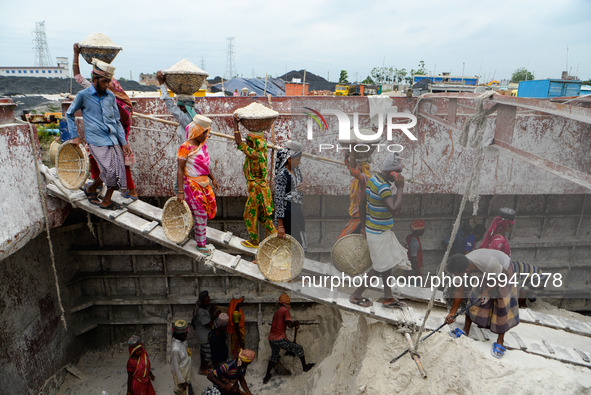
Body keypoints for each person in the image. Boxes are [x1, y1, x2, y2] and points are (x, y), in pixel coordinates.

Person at [72, 43, 138, 200]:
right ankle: (109, 186)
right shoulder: (110, 85)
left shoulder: (102, 89)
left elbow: (77, 77)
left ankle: (121, 188)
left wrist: (76, 54)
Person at [349, 152, 411, 308]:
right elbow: (395, 210)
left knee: (387, 264)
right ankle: (356, 295)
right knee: (379, 267)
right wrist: (400, 188)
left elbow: (362, 204)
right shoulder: (383, 186)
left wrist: (363, 226)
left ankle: (388, 297)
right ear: (392, 173)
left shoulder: (373, 180)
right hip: (378, 232)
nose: (400, 176)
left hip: (374, 229)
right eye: (399, 173)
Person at [445, 249, 520, 359]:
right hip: (483, 270)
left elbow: (503, 277)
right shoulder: (459, 267)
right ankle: (466, 330)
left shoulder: (490, 263)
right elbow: (459, 291)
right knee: (474, 297)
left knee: (501, 302)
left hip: (503, 270)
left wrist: (488, 290)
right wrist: (452, 313)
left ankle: (500, 341)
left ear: (466, 270)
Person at [177, 115, 218, 255]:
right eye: (204, 132)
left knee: (204, 211)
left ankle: (190, 235)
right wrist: (180, 191)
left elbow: (204, 166)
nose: (206, 135)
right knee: (200, 213)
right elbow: (180, 170)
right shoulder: (185, 148)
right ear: (197, 131)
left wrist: (212, 178)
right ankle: (201, 244)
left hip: (204, 184)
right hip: (191, 186)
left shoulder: (202, 145)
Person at [232, 116, 276, 248]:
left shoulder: (254, 154)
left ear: (253, 144)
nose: (246, 142)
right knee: (264, 217)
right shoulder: (262, 152)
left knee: (248, 215)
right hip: (262, 189)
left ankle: (255, 241)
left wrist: (235, 124)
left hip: (257, 190)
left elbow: (238, 142)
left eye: (248, 141)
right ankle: (276, 238)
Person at [263, 293, 314, 384]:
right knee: (299, 348)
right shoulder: (285, 311)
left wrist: (293, 323)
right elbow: (289, 324)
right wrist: (295, 323)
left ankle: (266, 376)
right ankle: (305, 367)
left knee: (274, 357)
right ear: (286, 303)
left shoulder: (277, 312)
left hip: (271, 339)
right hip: (279, 339)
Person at [337, 129, 379, 239]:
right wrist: (348, 152)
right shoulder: (360, 174)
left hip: (361, 217)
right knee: (346, 241)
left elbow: (352, 170)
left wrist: (351, 150)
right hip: (356, 216)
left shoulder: (366, 177)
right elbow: (349, 165)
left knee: (343, 240)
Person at [274, 141, 308, 250]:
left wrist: (303, 186)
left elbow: (299, 186)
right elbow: (278, 201)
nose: (300, 162)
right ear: (290, 159)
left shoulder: (296, 171)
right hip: (288, 213)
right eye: (298, 160)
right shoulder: (282, 175)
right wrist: (280, 225)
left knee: (299, 242)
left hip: (297, 211)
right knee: (291, 243)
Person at [155, 70, 199, 141]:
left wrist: (161, 83)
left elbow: (170, 105)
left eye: (179, 106)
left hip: (188, 150)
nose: (177, 108)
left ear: (184, 108)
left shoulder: (185, 118)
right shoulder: (197, 114)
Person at [171, 320, 194, 395]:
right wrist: (182, 381)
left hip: (185, 369)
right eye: (185, 335)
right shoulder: (175, 349)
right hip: (181, 373)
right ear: (179, 335)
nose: (186, 336)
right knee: (182, 390)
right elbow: (176, 368)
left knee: (187, 384)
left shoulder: (182, 341)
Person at [194, 290, 213, 374]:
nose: (208, 302)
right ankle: (203, 369)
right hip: (204, 335)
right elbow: (208, 324)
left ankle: (204, 367)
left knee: (203, 352)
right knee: (206, 354)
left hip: (201, 333)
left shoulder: (200, 307)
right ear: (202, 302)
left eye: (209, 300)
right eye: (206, 301)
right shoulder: (201, 312)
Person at [227, 294, 245, 358]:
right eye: (241, 301)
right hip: (238, 335)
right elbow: (237, 327)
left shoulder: (238, 310)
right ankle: (237, 365)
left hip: (238, 333)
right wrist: (240, 340)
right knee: (237, 351)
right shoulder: (236, 313)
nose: (242, 303)